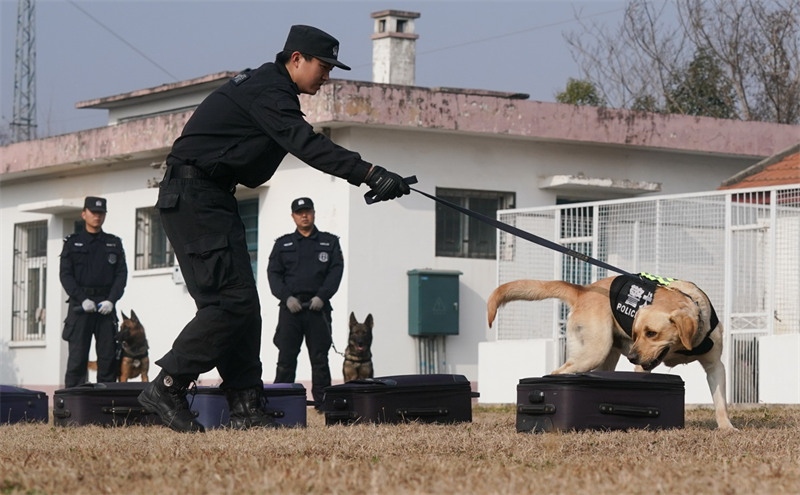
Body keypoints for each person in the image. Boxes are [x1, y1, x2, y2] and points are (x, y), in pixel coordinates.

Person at [138, 24, 410, 433]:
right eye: (323, 66)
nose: (327, 76)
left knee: (244, 306)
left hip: (212, 197)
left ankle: (246, 405)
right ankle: (168, 385)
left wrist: (373, 176)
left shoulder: (271, 89)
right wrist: (369, 173)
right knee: (230, 303)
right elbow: (306, 143)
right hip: (194, 198)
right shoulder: (269, 91)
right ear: (296, 59)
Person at [268, 197, 342, 408]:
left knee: (320, 359)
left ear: (314, 213)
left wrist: (322, 296)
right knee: (286, 358)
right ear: (293, 216)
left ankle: (323, 404)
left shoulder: (329, 242)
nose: (304, 215)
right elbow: (273, 274)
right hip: (291, 309)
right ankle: (280, 404)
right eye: (299, 212)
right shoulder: (283, 244)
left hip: (318, 309)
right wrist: (286, 297)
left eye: (307, 211)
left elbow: (335, 272)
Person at [60, 196, 128, 388]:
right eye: (93, 212)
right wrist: (81, 299)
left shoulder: (113, 243)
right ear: (84, 214)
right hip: (80, 307)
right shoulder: (73, 243)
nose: (97, 216)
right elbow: (66, 275)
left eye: (101, 213)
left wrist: (112, 300)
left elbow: (121, 275)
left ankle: (104, 408)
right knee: (77, 359)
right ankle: (73, 409)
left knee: (108, 359)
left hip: (105, 306)